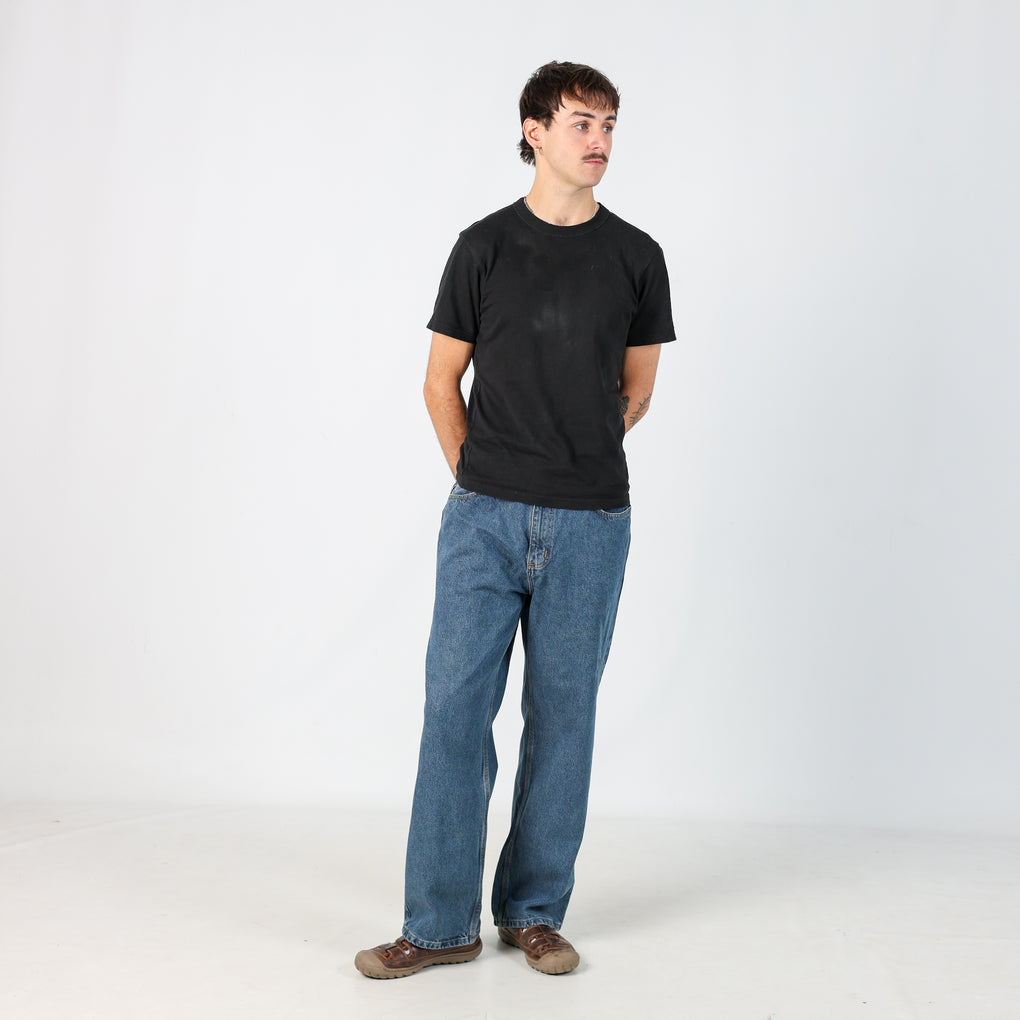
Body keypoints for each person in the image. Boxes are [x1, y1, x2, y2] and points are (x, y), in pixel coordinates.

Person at [355, 60, 675, 979]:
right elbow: (438, 380)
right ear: (534, 131)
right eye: (582, 123)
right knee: (454, 713)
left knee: (563, 720)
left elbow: (638, 388)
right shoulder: (484, 246)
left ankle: (533, 913)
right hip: (483, 519)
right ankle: (438, 924)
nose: (600, 141)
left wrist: (574, 450)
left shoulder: (637, 256)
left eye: (609, 125)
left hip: (591, 522)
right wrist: (483, 476)